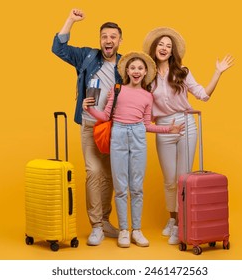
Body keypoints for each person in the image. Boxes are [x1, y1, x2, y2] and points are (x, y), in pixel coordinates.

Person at [143, 27, 234, 245]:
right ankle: (172, 219)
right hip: (163, 127)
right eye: (160, 44)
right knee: (169, 180)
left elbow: (203, 95)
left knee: (183, 176)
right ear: (154, 48)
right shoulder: (147, 75)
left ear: (172, 51)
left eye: (168, 45)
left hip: (185, 124)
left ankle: (182, 224)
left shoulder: (182, 71)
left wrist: (218, 72)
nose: (164, 48)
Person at [83, 52, 184, 248]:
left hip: (138, 135)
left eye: (140, 68)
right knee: (121, 187)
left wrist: (168, 129)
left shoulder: (148, 96)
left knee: (137, 187)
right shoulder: (117, 89)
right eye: (133, 68)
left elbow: (146, 124)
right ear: (126, 71)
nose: (136, 71)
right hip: (118, 134)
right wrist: (89, 109)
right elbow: (105, 116)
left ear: (145, 71)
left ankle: (136, 230)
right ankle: (123, 230)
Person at [51, 8, 123, 246]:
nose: (108, 40)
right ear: (100, 40)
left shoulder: (126, 64)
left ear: (120, 41)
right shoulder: (88, 57)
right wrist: (70, 20)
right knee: (93, 173)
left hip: (115, 129)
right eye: (104, 36)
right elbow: (58, 48)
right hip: (91, 124)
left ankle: (104, 220)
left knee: (110, 176)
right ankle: (95, 226)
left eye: (113, 36)